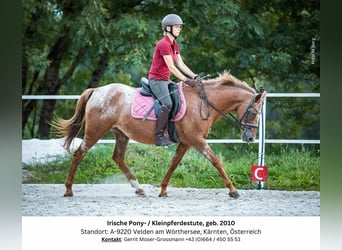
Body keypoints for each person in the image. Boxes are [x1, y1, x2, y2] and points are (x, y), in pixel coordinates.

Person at [148, 14, 201, 147]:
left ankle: (172, 132)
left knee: (180, 98)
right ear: (168, 28)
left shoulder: (174, 44)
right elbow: (171, 66)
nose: (179, 29)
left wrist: (194, 76)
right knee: (167, 103)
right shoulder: (164, 44)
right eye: (177, 27)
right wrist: (185, 80)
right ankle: (159, 136)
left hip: (165, 80)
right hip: (156, 80)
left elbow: (180, 64)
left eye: (179, 27)